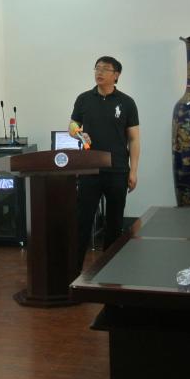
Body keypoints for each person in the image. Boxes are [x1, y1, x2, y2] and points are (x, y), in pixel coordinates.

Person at [69, 56, 140, 268]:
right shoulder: (84, 99)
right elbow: (72, 126)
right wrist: (79, 134)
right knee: (82, 221)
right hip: (89, 169)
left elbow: (134, 139)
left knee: (114, 223)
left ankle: (109, 271)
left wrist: (133, 171)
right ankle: (73, 271)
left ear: (116, 75)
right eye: (97, 68)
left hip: (117, 169)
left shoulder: (126, 102)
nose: (99, 72)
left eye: (105, 69)